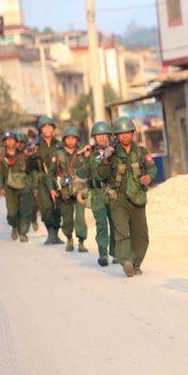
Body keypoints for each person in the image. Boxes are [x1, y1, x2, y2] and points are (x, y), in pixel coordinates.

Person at [98, 116, 157, 278]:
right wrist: (105, 159)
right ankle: (126, 261)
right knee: (122, 232)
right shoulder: (110, 154)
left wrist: (149, 177)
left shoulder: (141, 151)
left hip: (137, 197)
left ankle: (136, 263)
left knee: (141, 235)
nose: (124, 136)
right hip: (118, 199)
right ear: (116, 136)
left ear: (133, 134)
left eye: (128, 133)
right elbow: (101, 175)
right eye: (120, 133)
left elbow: (152, 168)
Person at [78, 121, 117, 266]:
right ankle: (103, 254)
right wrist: (86, 156)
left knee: (114, 222)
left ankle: (115, 253)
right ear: (94, 136)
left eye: (104, 134)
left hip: (111, 191)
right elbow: (81, 173)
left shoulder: (113, 151)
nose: (101, 138)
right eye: (98, 135)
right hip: (96, 193)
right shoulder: (91, 153)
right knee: (101, 223)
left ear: (108, 135)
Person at [48, 126, 88, 252]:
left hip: (80, 190)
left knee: (80, 216)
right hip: (64, 190)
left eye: (73, 138)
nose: (71, 141)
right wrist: (51, 188)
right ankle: (69, 238)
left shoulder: (82, 153)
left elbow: (88, 170)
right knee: (67, 218)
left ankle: (81, 242)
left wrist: (86, 156)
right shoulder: (58, 155)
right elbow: (51, 173)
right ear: (64, 140)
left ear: (77, 140)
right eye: (68, 138)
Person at [0, 131, 34, 242]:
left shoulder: (23, 154)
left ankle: (23, 233)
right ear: (4, 142)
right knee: (12, 214)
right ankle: (14, 226)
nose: (10, 142)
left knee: (25, 211)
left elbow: (31, 169)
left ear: (17, 142)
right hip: (9, 188)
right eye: (7, 140)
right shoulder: (1, 157)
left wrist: (29, 156)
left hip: (24, 186)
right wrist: (0, 187)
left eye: (12, 140)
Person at [32, 116, 64, 245]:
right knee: (46, 207)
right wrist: (31, 155)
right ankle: (50, 233)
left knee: (58, 207)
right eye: (44, 127)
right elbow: (30, 166)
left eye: (50, 126)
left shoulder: (59, 144)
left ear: (53, 128)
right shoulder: (36, 146)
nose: (47, 129)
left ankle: (56, 234)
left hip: (58, 180)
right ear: (40, 130)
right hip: (43, 180)